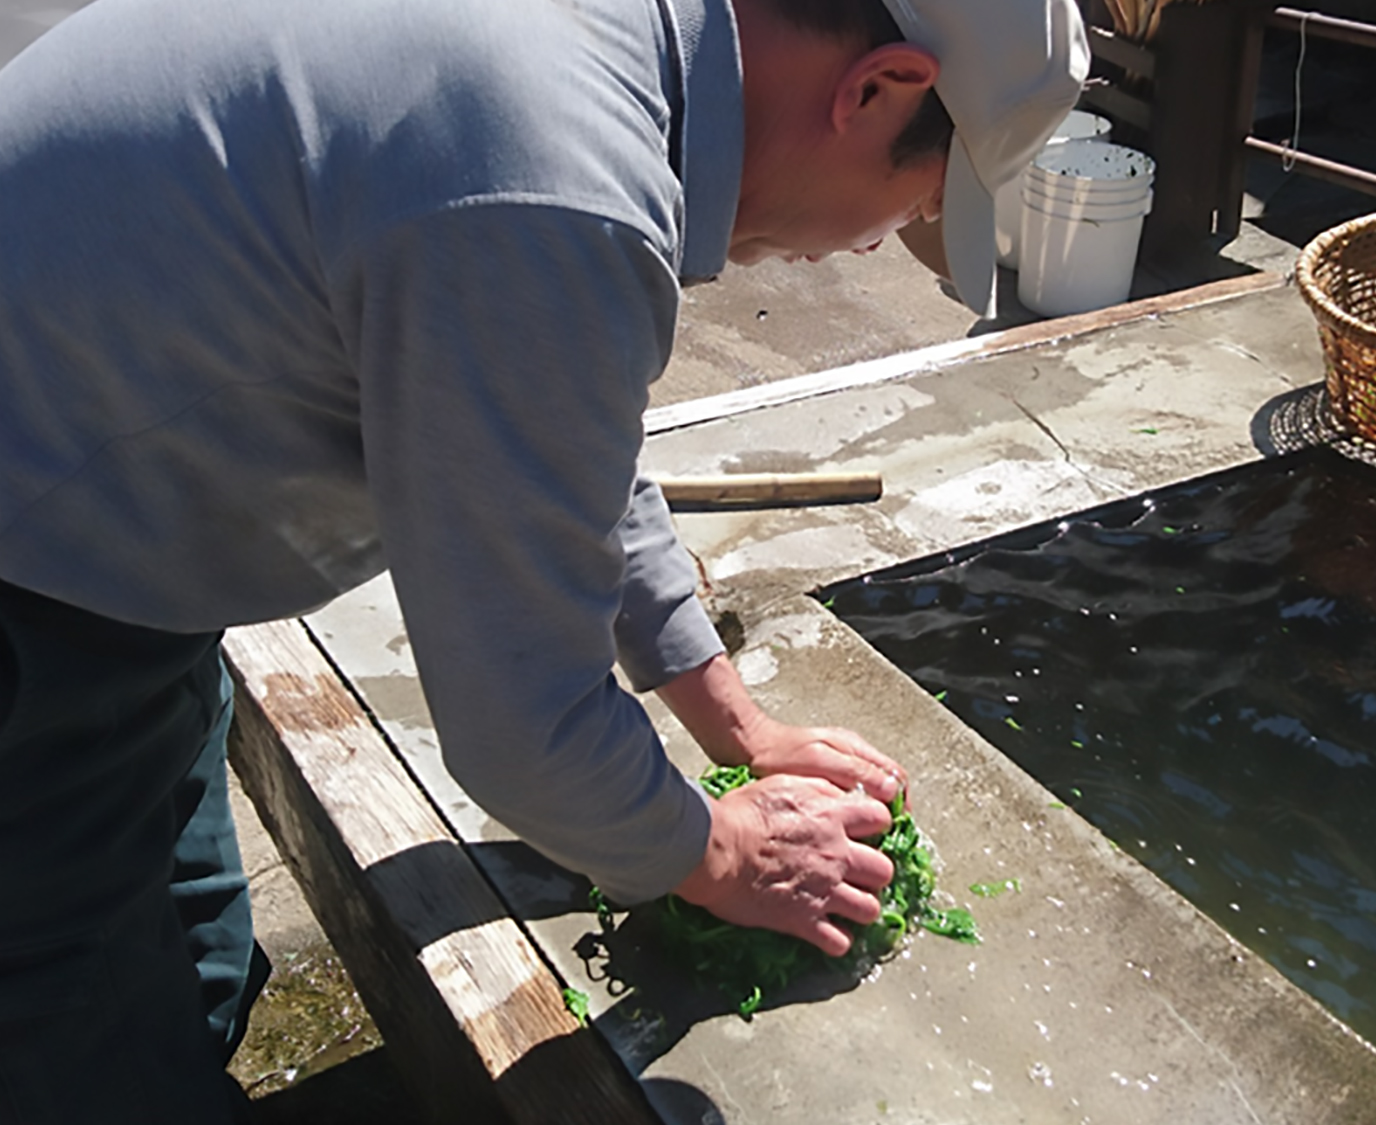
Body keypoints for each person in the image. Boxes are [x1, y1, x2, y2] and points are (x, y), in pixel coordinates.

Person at [0, 0, 1087, 1118]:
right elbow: (520, 725)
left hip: (112, 548)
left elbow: (560, 435)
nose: (864, 247)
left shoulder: (581, 59)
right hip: (37, 596)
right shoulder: (552, 175)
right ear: (875, 90)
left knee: (193, 970)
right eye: (909, 205)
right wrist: (721, 851)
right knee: (86, 1063)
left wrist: (735, 725)